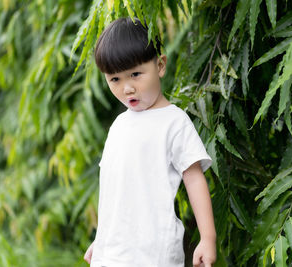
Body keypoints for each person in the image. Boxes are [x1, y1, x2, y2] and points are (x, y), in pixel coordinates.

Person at [84, 17, 216, 267]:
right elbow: (115, 189)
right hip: (112, 255)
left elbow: (194, 178)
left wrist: (207, 237)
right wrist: (103, 239)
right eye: (115, 79)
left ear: (160, 65)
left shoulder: (174, 122)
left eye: (135, 74)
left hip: (153, 254)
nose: (127, 88)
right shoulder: (119, 126)